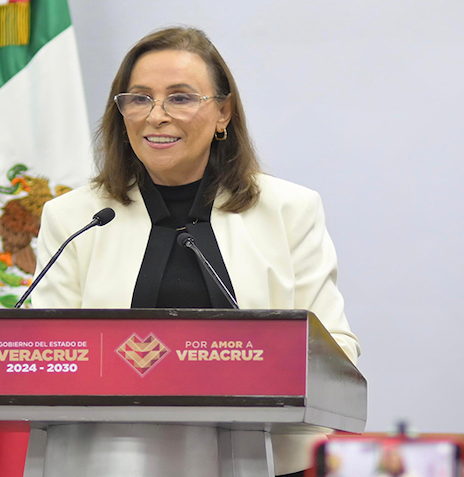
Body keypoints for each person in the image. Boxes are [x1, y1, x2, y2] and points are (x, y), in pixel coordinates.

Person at [32, 27, 360, 477]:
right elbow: (47, 354)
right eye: (140, 98)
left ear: (223, 112)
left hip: (264, 462)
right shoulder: (74, 216)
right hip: (104, 460)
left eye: (180, 98)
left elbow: (335, 351)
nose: (156, 116)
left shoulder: (289, 210)